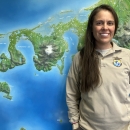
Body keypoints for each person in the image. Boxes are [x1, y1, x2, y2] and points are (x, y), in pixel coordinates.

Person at [66, 4, 130, 130]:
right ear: (92, 27)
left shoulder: (127, 56)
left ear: (115, 27)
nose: (105, 27)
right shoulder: (80, 58)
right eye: (99, 23)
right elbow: (72, 93)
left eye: (110, 23)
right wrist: (75, 123)